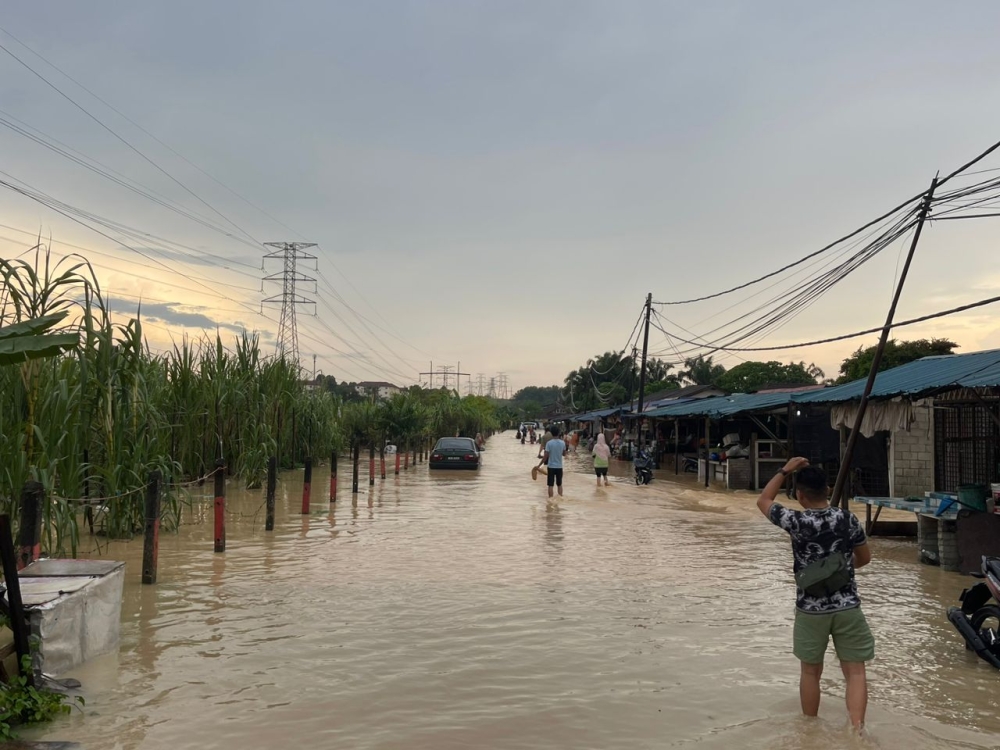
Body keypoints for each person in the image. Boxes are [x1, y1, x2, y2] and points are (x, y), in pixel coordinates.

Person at [756, 457, 873, 732]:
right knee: (855, 672)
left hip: (810, 609)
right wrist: (840, 569)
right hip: (848, 607)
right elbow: (864, 558)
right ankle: (857, 731)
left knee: (810, 672)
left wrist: (785, 470)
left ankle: (810, 732)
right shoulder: (847, 519)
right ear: (828, 490)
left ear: (800, 495)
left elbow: (763, 500)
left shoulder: (795, 520)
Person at [542, 425, 568, 498]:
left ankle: (550, 500)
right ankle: (560, 498)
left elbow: (545, 456)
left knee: (550, 485)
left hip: (551, 467)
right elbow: (564, 454)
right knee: (559, 484)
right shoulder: (562, 443)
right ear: (559, 433)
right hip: (559, 467)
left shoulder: (549, 443)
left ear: (551, 433)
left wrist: (538, 465)